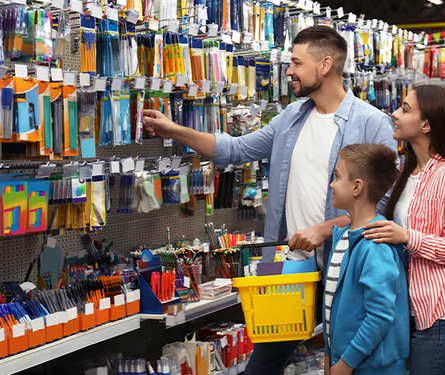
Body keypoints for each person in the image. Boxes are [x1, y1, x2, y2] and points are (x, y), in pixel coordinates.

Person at [142, 25, 397, 375]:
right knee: (262, 365)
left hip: (345, 267)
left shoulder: (372, 124)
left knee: (343, 361)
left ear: (325, 65)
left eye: (296, 62)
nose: (289, 71)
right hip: (292, 266)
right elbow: (236, 149)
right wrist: (174, 130)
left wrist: (325, 229)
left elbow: (383, 208)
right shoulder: (292, 117)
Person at [362, 84, 445, 375]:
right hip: (416, 313)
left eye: (405, 109)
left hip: (444, 317)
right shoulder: (408, 173)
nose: (394, 114)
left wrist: (407, 237)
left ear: (426, 124)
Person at [324, 144, 409, 375]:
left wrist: (346, 362)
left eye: (337, 177)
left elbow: (380, 315)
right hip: (346, 363)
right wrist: (329, 355)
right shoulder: (343, 236)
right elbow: (333, 305)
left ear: (356, 187)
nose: (331, 185)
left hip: (373, 368)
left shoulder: (375, 245)